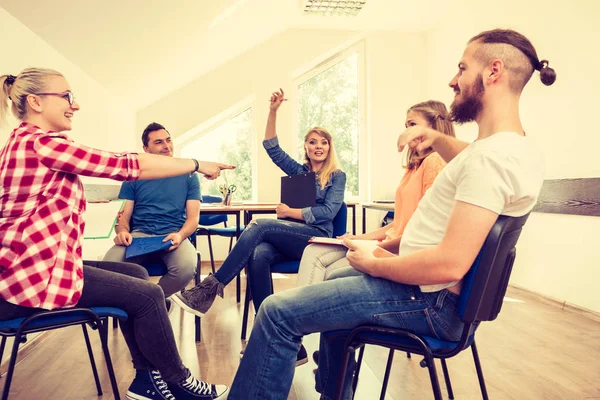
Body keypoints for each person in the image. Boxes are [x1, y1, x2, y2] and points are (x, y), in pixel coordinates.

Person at [226, 28, 556, 400]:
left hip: (428, 300)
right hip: (431, 293)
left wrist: (376, 261)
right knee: (332, 272)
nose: (453, 80)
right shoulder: (511, 149)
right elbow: (471, 159)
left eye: (462, 68)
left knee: (275, 311)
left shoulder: (492, 160)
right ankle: (334, 391)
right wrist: (437, 138)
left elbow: (447, 265)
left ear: (493, 72)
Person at [0, 68, 234, 400]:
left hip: (38, 270)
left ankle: (145, 379)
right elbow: (122, 166)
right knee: (149, 295)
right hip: (32, 283)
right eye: (66, 96)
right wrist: (196, 163)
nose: (74, 105)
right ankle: (179, 382)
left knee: (136, 273)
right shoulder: (39, 144)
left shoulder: (26, 143)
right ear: (36, 101)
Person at [172, 88, 346, 363]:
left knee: (259, 226)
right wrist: (273, 111)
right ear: (306, 147)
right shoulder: (299, 172)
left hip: (317, 238)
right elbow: (272, 148)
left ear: (329, 146)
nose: (318, 147)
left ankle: (209, 288)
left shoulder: (337, 176)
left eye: (323, 142)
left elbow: (328, 212)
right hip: (293, 238)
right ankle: (274, 334)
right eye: (313, 142)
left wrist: (292, 211)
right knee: (258, 254)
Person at [295, 100, 455, 288]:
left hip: (399, 253)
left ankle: (303, 310)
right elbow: (398, 225)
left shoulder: (435, 162)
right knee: (315, 250)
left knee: (330, 271)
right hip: (389, 245)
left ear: (434, 126)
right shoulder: (414, 168)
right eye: (405, 126)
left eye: (412, 125)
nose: (405, 132)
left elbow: (427, 232)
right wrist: (357, 238)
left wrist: (374, 247)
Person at [103, 122, 201, 303]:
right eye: (158, 142)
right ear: (145, 149)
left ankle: (151, 302)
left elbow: (193, 219)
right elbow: (123, 217)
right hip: (139, 236)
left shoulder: (189, 175)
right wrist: (122, 231)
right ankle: (145, 304)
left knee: (186, 268)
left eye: (168, 140)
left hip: (173, 235)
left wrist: (180, 235)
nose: (166, 146)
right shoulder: (134, 176)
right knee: (107, 267)